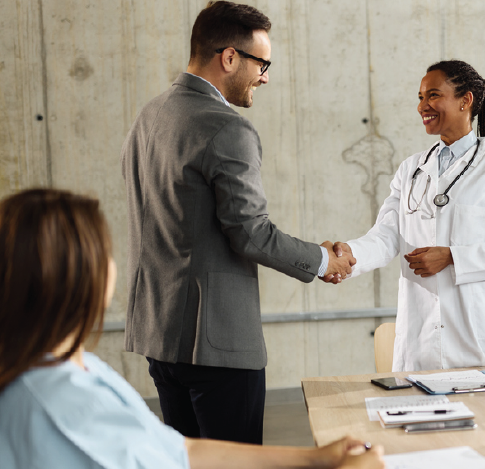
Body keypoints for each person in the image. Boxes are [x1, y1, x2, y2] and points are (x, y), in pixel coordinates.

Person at [0, 189, 384, 469]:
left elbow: (180, 452)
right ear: (77, 278)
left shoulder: (63, 367)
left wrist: (313, 459)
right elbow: (250, 229)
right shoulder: (62, 398)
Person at [120, 1, 355, 443]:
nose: (265, 75)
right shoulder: (227, 127)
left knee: (190, 458)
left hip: (159, 334)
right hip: (217, 345)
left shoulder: (149, 115)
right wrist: (323, 260)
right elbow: (250, 232)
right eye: (261, 63)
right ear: (229, 57)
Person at [336, 60, 485, 372]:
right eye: (420, 97)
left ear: (465, 100)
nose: (423, 106)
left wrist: (453, 257)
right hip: (422, 337)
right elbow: (387, 236)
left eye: (433, 95)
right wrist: (349, 255)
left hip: (480, 336)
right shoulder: (411, 170)